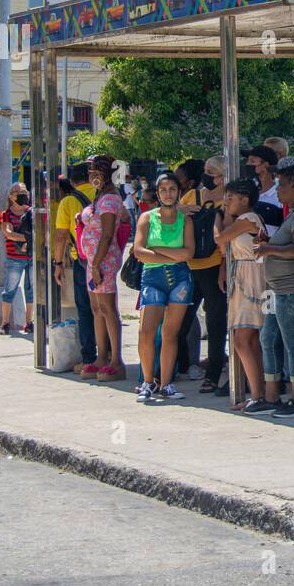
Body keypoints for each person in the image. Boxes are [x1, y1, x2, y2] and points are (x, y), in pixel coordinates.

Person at [255, 160, 294, 418]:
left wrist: (268, 248)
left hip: (292, 288)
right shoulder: (292, 213)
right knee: (268, 338)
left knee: (292, 344)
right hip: (278, 287)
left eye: (281, 185)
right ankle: (271, 396)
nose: (277, 190)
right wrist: (269, 242)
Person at [132, 173, 195, 403]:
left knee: (170, 334)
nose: (168, 193)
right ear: (157, 193)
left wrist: (157, 250)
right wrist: (172, 255)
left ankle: (166, 383)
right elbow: (138, 251)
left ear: (178, 191)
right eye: (163, 189)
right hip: (153, 277)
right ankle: (148, 381)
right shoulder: (147, 218)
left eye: (172, 189)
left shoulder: (184, 220)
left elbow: (189, 253)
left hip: (180, 278)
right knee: (146, 332)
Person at [215, 178, 268, 412]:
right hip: (244, 276)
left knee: (242, 339)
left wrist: (218, 218)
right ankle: (259, 393)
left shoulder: (248, 219)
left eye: (230, 198)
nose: (226, 202)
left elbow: (220, 238)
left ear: (244, 200)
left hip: (251, 279)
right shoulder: (244, 221)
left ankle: (258, 394)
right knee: (250, 340)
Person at [80, 155, 131, 381]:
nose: (91, 176)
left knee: (108, 309)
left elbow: (108, 234)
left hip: (103, 261)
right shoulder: (99, 197)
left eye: (94, 172)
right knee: (96, 309)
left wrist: (98, 264)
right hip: (92, 262)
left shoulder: (110, 199)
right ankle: (101, 356)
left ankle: (115, 360)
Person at [173, 159, 216, 385]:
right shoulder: (187, 200)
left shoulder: (223, 196)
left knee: (212, 319)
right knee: (185, 318)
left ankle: (208, 364)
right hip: (192, 265)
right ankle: (185, 362)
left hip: (210, 265)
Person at [53, 165, 98, 375]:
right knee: (105, 309)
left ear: (72, 182)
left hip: (82, 261)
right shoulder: (103, 194)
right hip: (106, 259)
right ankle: (108, 355)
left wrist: (57, 263)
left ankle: (89, 357)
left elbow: (61, 235)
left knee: (85, 309)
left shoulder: (68, 201)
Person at [0, 182, 34, 336]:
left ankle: (29, 322)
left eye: (25, 191)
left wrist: (27, 240)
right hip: (14, 258)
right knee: (10, 290)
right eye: (19, 192)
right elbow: (8, 233)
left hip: (32, 257)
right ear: (11, 196)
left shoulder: (32, 212)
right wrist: (28, 238)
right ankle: (5, 323)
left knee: (31, 290)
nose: (23, 194)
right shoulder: (6, 214)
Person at [245, 145, 281, 213]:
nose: (247, 164)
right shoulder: (247, 190)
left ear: (266, 165)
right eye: (248, 161)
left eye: (252, 161)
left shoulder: (279, 194)